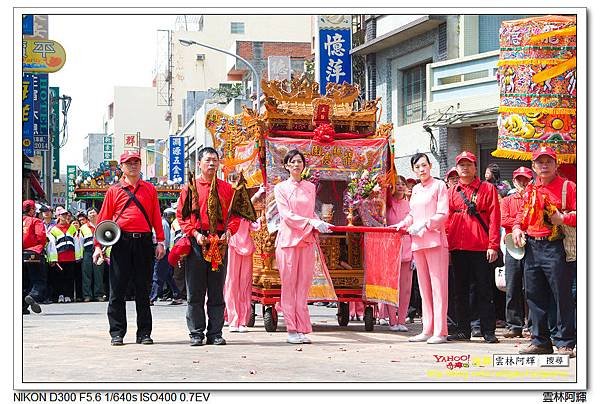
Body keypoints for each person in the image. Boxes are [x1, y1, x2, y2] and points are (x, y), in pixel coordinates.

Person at [93, 150, 166, 346]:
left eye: (136, 162)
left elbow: (156, 217)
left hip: (143, 242)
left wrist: (160, 240)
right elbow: (103, 220)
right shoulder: (114, 191)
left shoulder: (150, 189)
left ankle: (144, 333)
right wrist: (98, 246)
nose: (133, 165)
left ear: (140, 165)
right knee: (117, 289)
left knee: (143, 289)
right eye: (129, 162)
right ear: (122, 167)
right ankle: (117, 333)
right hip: (120, 242)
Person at [511, 147, 576, 357]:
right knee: (534, 294)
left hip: (556, 245)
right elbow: (521, 213)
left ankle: (565, 341)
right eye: (540, 162)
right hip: (532, 246)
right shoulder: (531, 188)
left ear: (557, 165)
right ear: (533, 167)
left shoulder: (568, 187)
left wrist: (563, 219)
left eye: (549, 161)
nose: (544, 165)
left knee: (561, 295)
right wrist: (517, 228)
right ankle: (540, 341)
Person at [176, 147, 241, 347]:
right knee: (195, 290)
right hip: (198, 242)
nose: (211, 164)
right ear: (200, 164)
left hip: (219, 242)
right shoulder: (190, 188)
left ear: (219, 163)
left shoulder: (227, 189)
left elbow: (235, 216)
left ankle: (215, 333)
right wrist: (194, 233)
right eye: (208, 160)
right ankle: (196, 332)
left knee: (216, 289)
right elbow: (182, 216)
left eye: (215, 160)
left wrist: (229, 232)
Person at [273, 149, 333, 344]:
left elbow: (310, 213)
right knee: (289, 286)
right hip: (288, 241)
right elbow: (287, 215)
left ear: (304, 165)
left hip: (306, 240)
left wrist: (321, 223)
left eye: (299, 161)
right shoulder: (280, 188)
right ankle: (291, 329)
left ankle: (302, 327)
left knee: (303, 286)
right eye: (292, 162)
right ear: (287, 166)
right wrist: (311, 223)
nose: (297, 165)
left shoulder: (309, 187)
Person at [392, 153, 449, 344]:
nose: (421, 169)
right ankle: (427, 328)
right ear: (413, 170)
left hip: (434, 241)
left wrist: (425, 224)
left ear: (430, 166)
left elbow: (442, 213)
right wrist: (402, 224)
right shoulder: (415, 189)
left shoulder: (439, 185)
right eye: (417, 167)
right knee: (424, 288)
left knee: (438, 287)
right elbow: (412, 214)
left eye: (424, 165)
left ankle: (440, 331)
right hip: (417, 242)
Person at [446, 151, 501, 344]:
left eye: (468, 164)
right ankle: (463, 329)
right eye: (461, 164)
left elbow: (495, 219)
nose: (465, 167)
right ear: (457, 168)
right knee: (460, 290)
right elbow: (447, 219)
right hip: (458, 247)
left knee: (484, 290)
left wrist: (493, 245)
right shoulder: (452, 191)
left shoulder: (487, 188)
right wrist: (447, 244)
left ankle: (488, 330)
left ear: (475, 167)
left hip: (480, 246)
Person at [225, 184, 264, 333]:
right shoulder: (230, 214)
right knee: (232, 283)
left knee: (244, 285)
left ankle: (242, 320)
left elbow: (255, 223)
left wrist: (260, 194)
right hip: (233, 247)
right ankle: (233, 319)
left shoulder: (248, 215)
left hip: (247, 249)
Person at [500, 167, 533, 339]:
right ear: (514, 181)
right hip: (512, 246)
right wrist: (520, 224)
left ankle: (533, 325)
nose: (523, 183)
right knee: (512, 286)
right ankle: (514, 325)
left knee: (532, 287)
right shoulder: (507, 200)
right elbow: (503, 220)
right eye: (519, 179)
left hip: (531, 246)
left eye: (526, 179)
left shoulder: (534, 199)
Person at [380, 175, 412, 332]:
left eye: (402, 184)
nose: (400, 186)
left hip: (407, 249)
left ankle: (402, 320)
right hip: (390, 249)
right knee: (391, 286)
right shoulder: (386, 203)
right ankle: (392, 320)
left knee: (405, 288)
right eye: (397, 184)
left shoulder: (410, 205)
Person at [149, 208, 182, 305]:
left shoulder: (164, 224)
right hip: (163, 250)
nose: (171, 218)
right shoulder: (163, 223)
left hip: (163, 251)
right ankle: (177, 295)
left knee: (158, 274)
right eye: (170, 215)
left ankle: (152, 298)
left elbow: (165, 241)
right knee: (167, 275)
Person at [22, 200, 47, 314]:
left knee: (24, 281)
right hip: (33, 252)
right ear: (32, 210)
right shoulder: (36, 221)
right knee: (38, 280)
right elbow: (41, 236)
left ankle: (22, 307)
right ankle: (33, 295)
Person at [81, 208, 105, 302]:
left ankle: (99, 294)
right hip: (87, 252)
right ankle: (87, 295)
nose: (92, 214)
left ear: (98, 214)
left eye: (94, 212)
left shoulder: (101, 226)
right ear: (87, 216)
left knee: (99, 273)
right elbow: (80, 242)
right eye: (90, 213)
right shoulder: (83, 227)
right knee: (86, 273)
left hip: (99, 251)